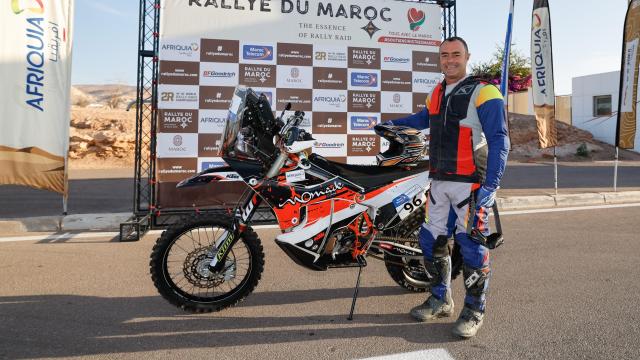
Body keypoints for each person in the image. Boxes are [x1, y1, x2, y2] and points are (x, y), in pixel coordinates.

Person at [385, 36, 509, 338]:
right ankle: (441, 299)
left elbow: (499, 140)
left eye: (456, 54)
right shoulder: (437, 91)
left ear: (467, 57)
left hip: (470, 186)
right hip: (439, 183)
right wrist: (389, 124)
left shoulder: (485, 91)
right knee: (430, 242)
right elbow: (423, 118)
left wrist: (491, 185)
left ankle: (474, 310)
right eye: (444, 55)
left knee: (472, 248)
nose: (449, 60)